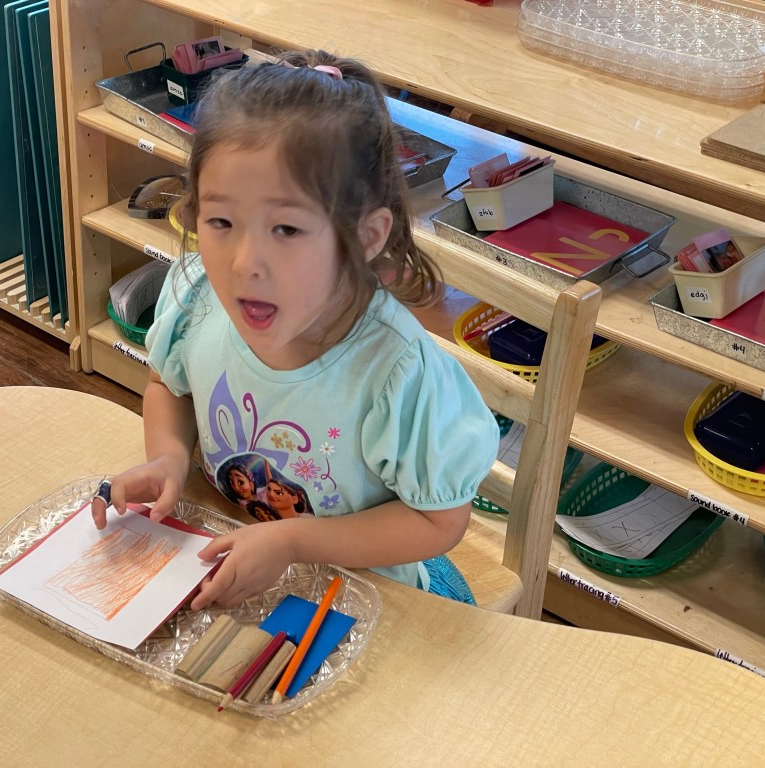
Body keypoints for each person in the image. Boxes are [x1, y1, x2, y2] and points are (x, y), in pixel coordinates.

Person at [92, 49, 499, 609]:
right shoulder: (199, 300)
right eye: (221, 221)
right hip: (235, 559)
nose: (244, 263)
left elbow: (438, 523)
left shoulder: (396, 372)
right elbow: (169, 385)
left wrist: (292, 540)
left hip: (368, 589)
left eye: (285, 228)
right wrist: (167, 457)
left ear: (365, 237)